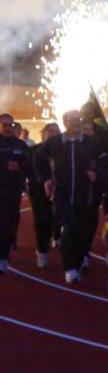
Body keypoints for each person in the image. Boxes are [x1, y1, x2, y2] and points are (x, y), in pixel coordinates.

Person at [38, 110, 103, 284]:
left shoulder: (91, 143)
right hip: (62, 196)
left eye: (78, 119)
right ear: (65, 122)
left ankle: (79, 260)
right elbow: (39, 160)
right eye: (72, 120)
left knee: (82, 232)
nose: (76, 122)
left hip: (85, 196)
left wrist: (97, 174)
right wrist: (45, 179)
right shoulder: (54, 143)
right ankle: (70, 268)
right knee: (68, 230)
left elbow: (105, 163)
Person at [0, 113, 33, 273]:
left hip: (12, 192)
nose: (7, 128)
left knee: (6, 224)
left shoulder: (20, 146)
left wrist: (19, 168)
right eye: (4, 125)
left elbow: (31, 167)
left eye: (10, 125)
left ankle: (2, 257)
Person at [29, 122, 62, 269]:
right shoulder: (34, 150)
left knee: (57, 219)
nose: (53, 134)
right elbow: (29, 169)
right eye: (50, 131)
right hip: (39, 191)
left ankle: (57, 235)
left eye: (56, 132)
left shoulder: (64, 150)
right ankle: (42, 252)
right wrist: (42, 180)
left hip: (60, 191)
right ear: (43, 134)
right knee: (42, 221)